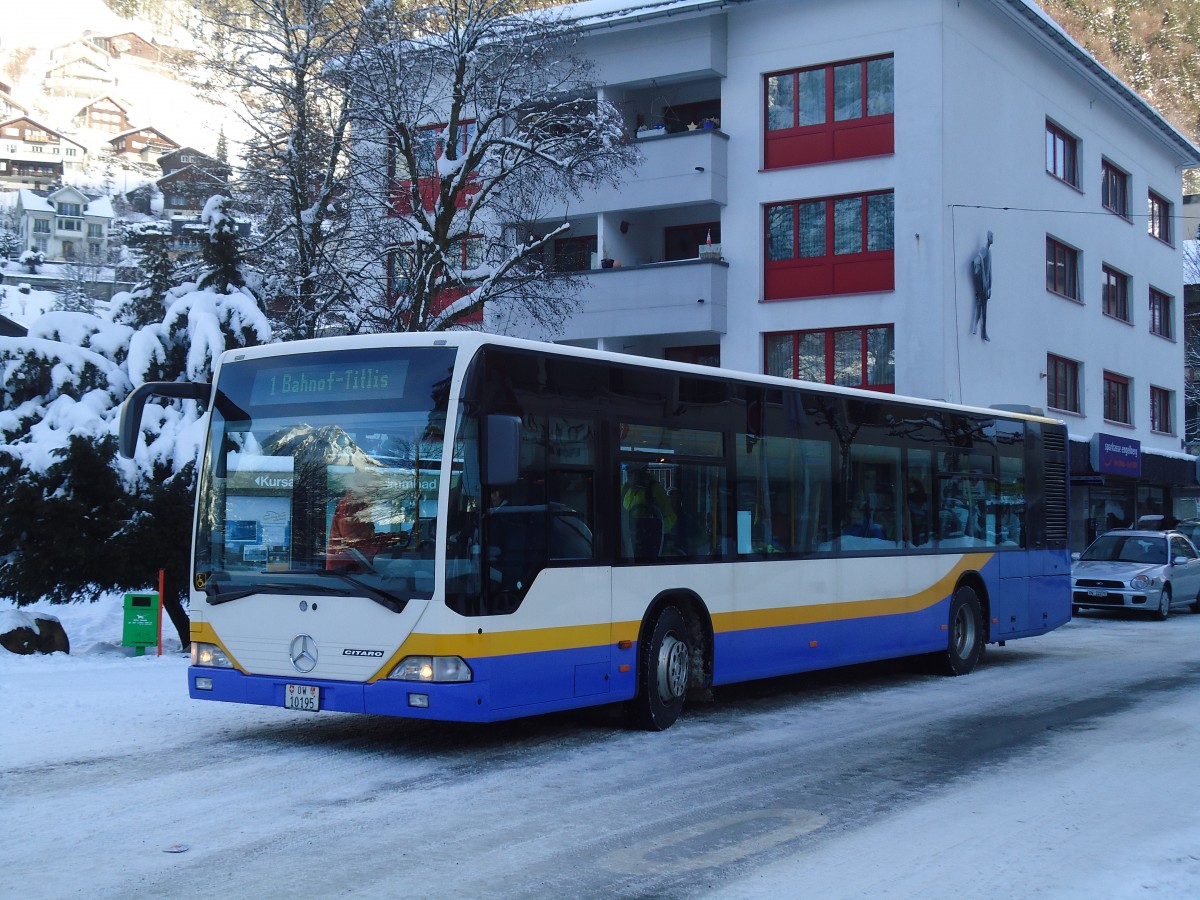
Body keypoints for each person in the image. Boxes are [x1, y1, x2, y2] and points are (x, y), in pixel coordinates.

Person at [971, 231, 993, 342]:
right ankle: (975, 327)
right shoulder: (984, 251)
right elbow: (976, 261)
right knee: (979, 306)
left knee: (984, 311)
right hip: (982, 285)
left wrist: (990, 287)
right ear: (988, 238)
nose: (992, 239)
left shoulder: (989, 253)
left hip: (986, 286)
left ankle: (983, 332)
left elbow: (990, 272)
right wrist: (977, 269)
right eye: (991, 237)